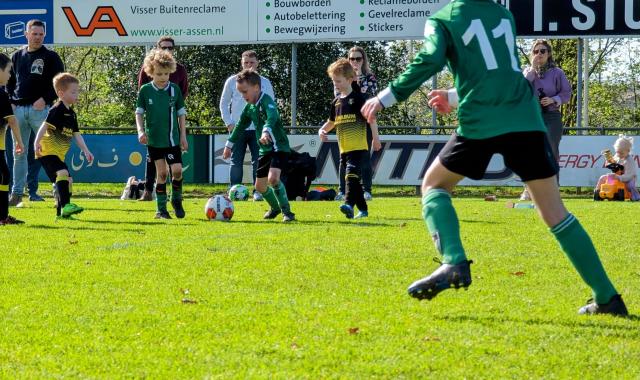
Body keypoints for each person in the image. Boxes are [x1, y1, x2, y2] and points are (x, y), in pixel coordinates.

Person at [361, 0, 628, 316]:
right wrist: (454, 95)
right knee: (555, 212)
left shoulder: (443, 19)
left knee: (434, 186)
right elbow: (502, 72)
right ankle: (608, 297)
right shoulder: (502, 15)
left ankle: (453, 261)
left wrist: (385, 97)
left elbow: (428, 60)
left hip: (482, 120)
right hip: (525, 119)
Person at [222, 69, 295, 223]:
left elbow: (272, 117)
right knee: (260, 187)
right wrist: (229, 145)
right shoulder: (250, 107)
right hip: (265, 150)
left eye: (244, 91)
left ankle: (287, 212)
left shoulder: (267, 100)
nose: (243, 95)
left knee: (273, 179)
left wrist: (266, 131)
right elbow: (240, 126)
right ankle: (275, 208)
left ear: (256, 87)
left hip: (278, 147)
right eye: (240, 92)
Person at [5, 19, 64, 206]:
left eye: (41, 34)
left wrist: (45, 100)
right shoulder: (16, 56)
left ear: (44, 35)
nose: (37, 37)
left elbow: (60, 85)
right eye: (34, 33)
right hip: (19, 111)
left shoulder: (51, 57)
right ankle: (16, 194)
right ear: (26, 34)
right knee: (19, 153)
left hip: (41, 111)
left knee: (48, 151)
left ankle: (59, 192)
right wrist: (12, 103)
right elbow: (9, 82)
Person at [319, 58, 381, 219]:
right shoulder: (336, 102)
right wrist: (322, 130)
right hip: (344, 149)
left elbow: (371, 119)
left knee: (350, 175)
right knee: (354, 180)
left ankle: (348, 204)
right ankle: (363, 210)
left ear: (349, 79)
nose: (336, 84)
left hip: (359, 147)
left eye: (338, 81)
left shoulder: (360, 99)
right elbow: (331, 122)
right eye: (334, 81)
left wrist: (375, 139)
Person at [136, 49, 188, 219]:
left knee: (177, 171)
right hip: (154, 141)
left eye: (166, 73)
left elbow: (181, 114)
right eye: (159, 73)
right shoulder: (145, 90)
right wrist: (140, 131)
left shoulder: (174, 90)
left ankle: (177, 200)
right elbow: (139, 113)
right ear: (150, 72)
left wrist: (183, 136)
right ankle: (161, 210)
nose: (163, 77)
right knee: (162, 174)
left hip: (172, 140)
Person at [34, 73, 93, 219]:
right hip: (46, 152)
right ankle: (66, 206)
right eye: (73, 92)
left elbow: (76, 134)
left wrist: (86, 151)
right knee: (63, 173)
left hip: (57, 154)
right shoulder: (57, 109)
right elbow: (43, 126)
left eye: (77, 91)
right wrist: (36, 143)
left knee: (68, 181)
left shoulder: (72, 114)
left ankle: (62, 215)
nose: (76, 94)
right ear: (61, 93)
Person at [220, 50, 275, 202]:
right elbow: (223, 103)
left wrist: (266, 128)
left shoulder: (265, 82)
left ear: (257, 63)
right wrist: (229, 122)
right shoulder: (232, 81)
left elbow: (271, 104)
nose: (249, 66)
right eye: (246, 63)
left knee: (259, 160)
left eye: (252, 62)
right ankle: (234, 190)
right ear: (241, 63)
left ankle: (258, 191)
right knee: (235, 161)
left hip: (259, 129)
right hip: (238, 128)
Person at [519, 40, 571, 201]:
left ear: (549, 54)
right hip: (532, 116)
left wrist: (553, 99)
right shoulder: (527, 72)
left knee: (551, 149)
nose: (539, 54)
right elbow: (521, 90)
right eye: (536, 51)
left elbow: (566, 93)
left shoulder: (557, 73)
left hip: (552, 116)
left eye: (542, 51)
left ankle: (553, 188)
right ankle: (528, 190)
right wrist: (531, 71)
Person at [335, 46, 377, 202]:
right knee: (343, 158)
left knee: (364, 157)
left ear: (363, 60)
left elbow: (371, 98)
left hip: (364, 122)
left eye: (358, 59)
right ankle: (342, 190)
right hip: (345, 121)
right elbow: (339, 96)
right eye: (352, 59)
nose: (355, 62)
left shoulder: (370, 77)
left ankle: (367, 190)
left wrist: (358, 80)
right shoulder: (341, 77)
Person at [0, 53, 25, 225]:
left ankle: (3, 216)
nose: (10, 76)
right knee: (4, 175)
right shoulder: (1, 95)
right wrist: (20, 143)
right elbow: (12, 120)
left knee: (4, 175)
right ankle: (3, 216)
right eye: (9, 71)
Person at [594, 134, 640, 201]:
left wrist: (618, 177)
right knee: (602, 178)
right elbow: (612, 163)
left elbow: (629, 176)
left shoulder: (630, 161)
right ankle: (597, 194)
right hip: (616, 175)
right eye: (617, 152)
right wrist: (609, 161)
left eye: (621, 153)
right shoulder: (617, 156)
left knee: (630, 185)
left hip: (627, 178)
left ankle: (635, 196)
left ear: (628, 151)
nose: (619, 155)